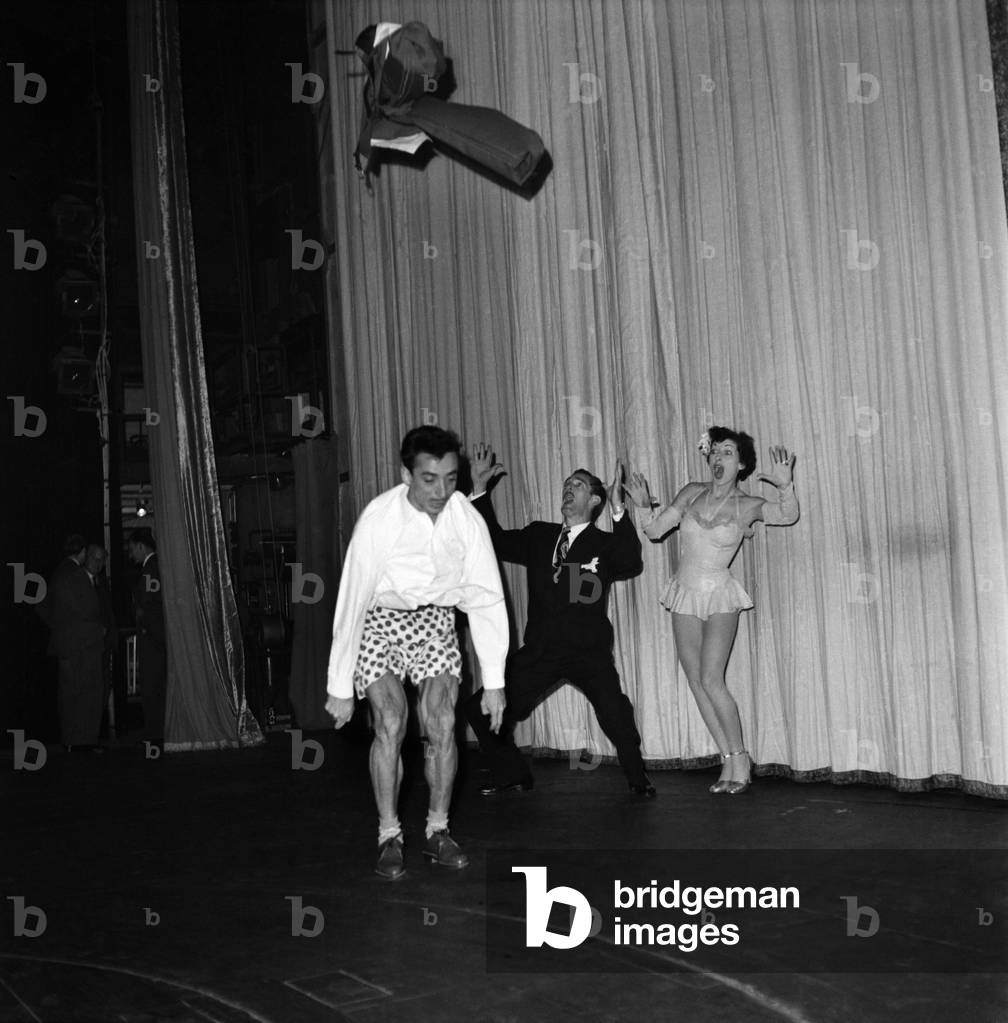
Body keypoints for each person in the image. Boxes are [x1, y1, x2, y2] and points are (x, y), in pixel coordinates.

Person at [324, 426, 509, 880]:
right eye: (429, 479)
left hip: (435, 620)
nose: (442, 490)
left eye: (450, 478)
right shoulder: (378, 519)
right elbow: (351, 598)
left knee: (443, 721)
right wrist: (339, 684)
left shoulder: (465, 518)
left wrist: (495, 682)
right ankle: (390, 834)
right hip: (380, 621)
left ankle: (438, 831)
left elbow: (486, 596)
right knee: (390, 722)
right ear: (406, 474)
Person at [463, 445, 655, 798]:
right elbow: (494, 540)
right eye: (567, 483)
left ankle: (638, 778)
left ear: (594, 500)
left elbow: (631, 561)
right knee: (479, 709)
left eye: (578, 484)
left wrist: (619, 507)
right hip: (541, 651)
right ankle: (511, 774)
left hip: (588, 653)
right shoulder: (539, 535)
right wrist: (478, 490)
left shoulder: (604, 543)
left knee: (616, 715)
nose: (569, 487)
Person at [627, 427, 798, 794]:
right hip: (685, 592)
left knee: (711, 679)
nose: (719, 458)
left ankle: (741, 759)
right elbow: (656, 531)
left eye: (728, 452)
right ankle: (728, 761)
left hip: (719, 593)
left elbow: (788, 516)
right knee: (695, 681)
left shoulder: (748, 505)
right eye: (715, 451)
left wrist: (785, 486)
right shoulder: (691, 492)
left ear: (741, 464)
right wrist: (643, 506)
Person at [36, 534, 107, 751]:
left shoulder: (59, 573)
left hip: (67, 645)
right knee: (86, 695)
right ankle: (83, 742)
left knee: (70, 696)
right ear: (83, 553)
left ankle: (73, 742)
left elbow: (42, 606)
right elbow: (89, 612)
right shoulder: (76, 576)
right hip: (83, 647)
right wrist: (97, 630)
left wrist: (61, 630)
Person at [128, 528, 166, 746]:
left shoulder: (150, 569)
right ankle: (155, 734)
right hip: (155, 641)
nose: (131, 554)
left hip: (153, 643)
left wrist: (154, 635)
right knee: (155, 690)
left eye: (133, 549)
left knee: (153, 690)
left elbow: (150, 608)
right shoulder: (153, 568)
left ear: (141, 547)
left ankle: (155, 736)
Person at [84, 544, 118, 737]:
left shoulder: (101, 582)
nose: (98, 564)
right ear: (86, 557)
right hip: (88, 647)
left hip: (104, 647)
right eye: (95, 559)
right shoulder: (78, 582)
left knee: (103, 689)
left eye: (102, 560)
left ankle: (96, 732)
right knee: (91, 691)